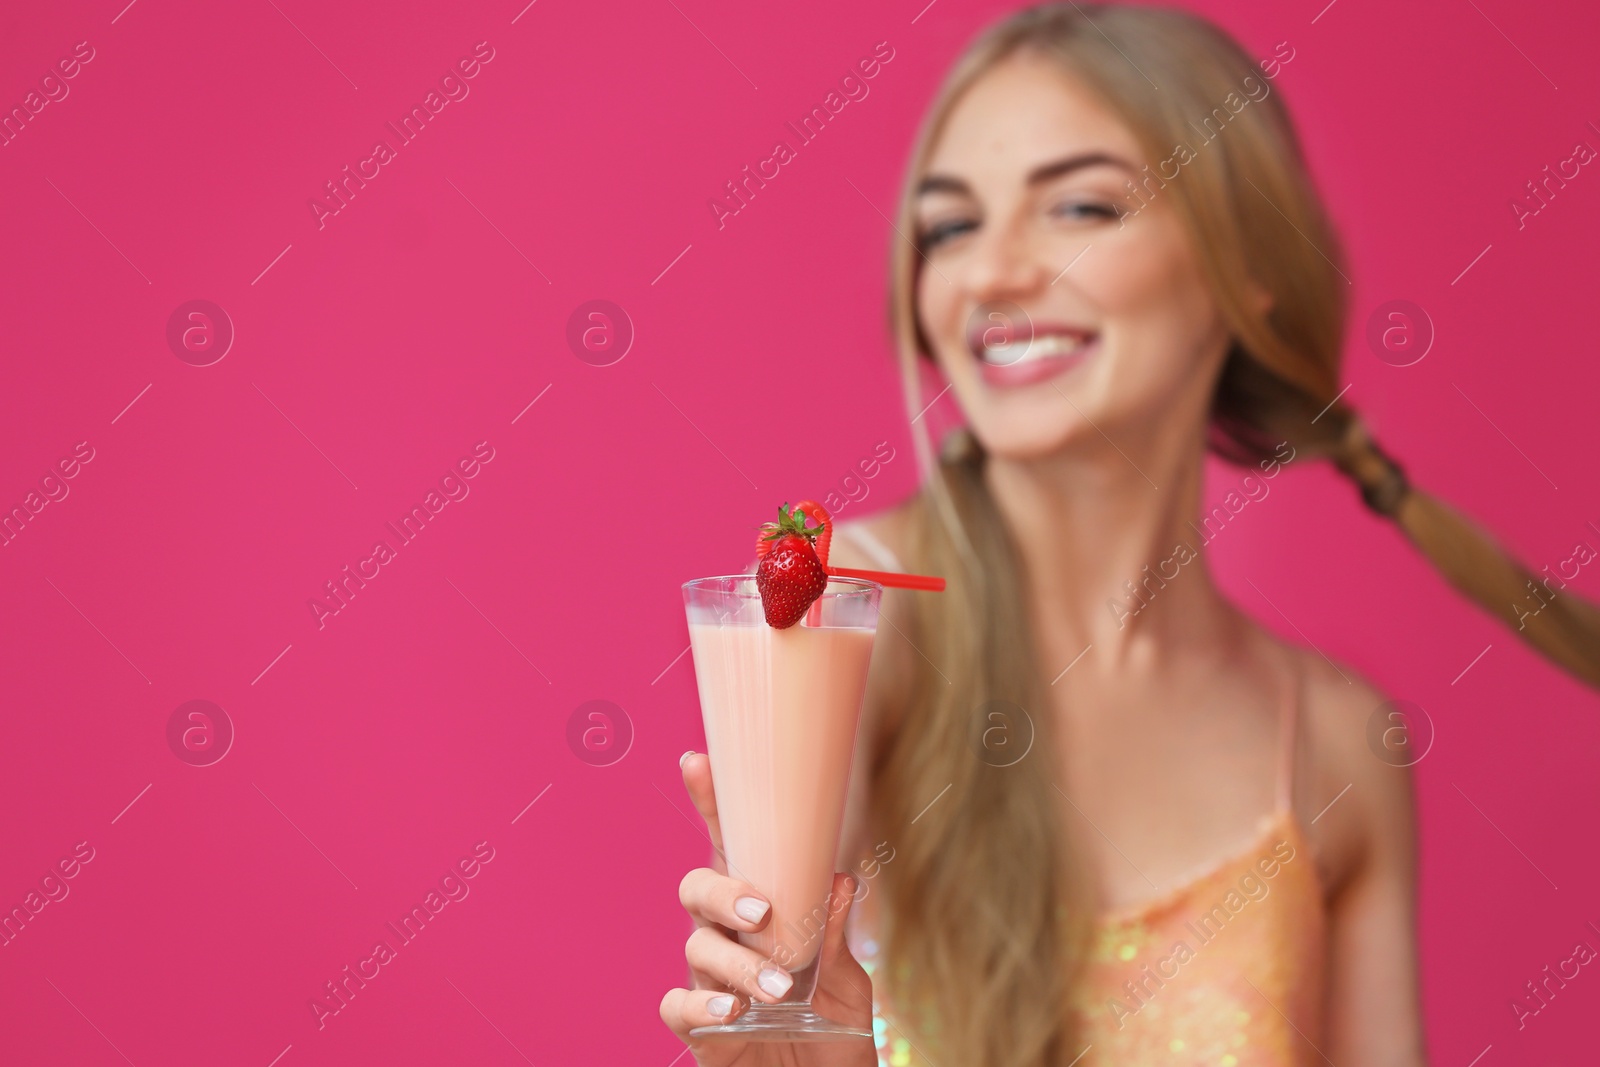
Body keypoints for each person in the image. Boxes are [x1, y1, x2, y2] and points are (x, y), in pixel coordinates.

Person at [660, 4, 1600, 1065]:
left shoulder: (1341, 742)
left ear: (1243, 266)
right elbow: (781, 1002)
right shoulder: (842, 622)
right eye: (950, 226)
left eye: (1079, 206)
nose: (993, 274)